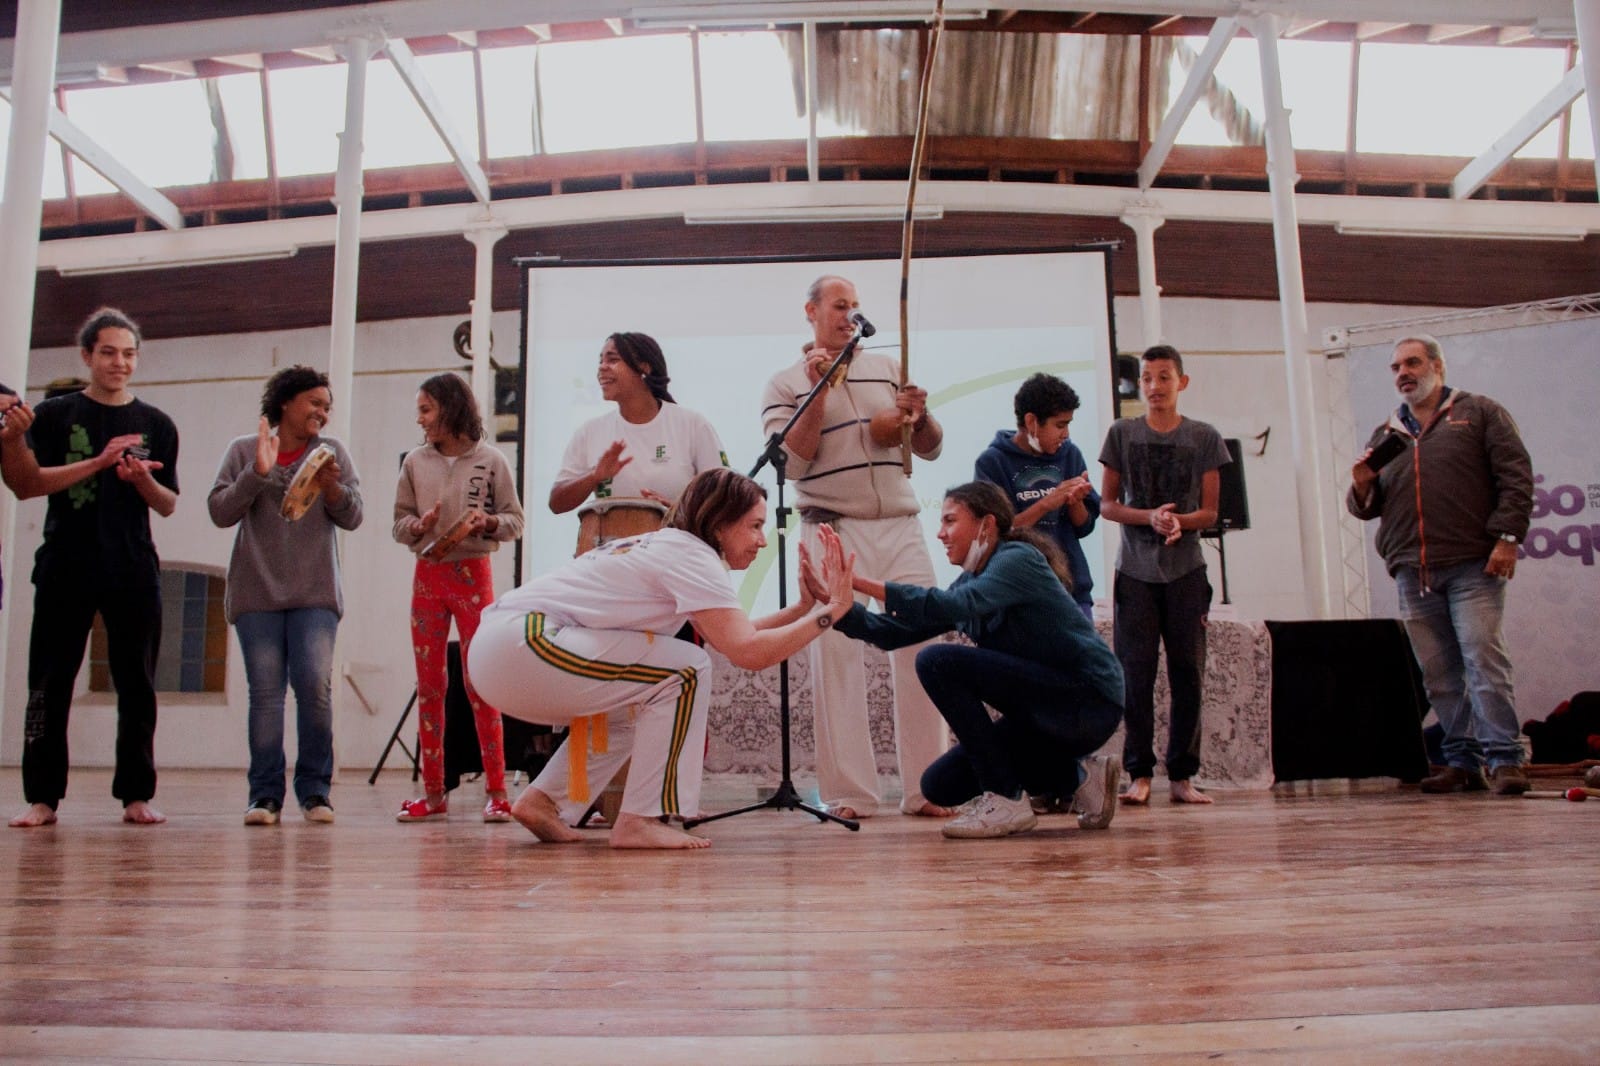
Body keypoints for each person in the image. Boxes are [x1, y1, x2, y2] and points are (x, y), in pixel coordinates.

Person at [468, 467, 856, 850]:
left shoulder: (672, 548)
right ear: (720, 522)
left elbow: (734, 635)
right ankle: (642, 819)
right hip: (526, 643)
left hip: (504, 651)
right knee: (687, 669)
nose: (761, 541)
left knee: (629, 711)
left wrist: (805, 609)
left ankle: (543, 802)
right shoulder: (693, 556)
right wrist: (831, 612)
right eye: (754, 526)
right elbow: (748, 653)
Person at [826, 482, 1125, 839]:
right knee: (939, 785)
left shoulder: (1016, 559)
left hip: (1089, 702)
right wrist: (841, 610)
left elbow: (952, 606)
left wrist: (860, 581)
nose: (940, 534)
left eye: (950, 521)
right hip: (1044, 716)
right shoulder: (972, 580)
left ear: (987, 525)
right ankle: (1082, 780)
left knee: (937, 661)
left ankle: (1006, 800)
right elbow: (895, 633)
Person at [759, 274, 950, 820]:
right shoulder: (785, 383)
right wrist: (819, 390)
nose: (850, 315)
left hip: (901, 523)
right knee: (836, 657)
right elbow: (792, 462)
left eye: (856, 307)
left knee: (924, 650)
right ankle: (849, 794)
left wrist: (921, 413)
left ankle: (928, 788)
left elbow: (931, 449)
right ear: (811, 311)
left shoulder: (888, 369)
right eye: (840, 305)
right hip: (831, 526)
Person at [3, 308, 178, 828]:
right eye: (108, 352)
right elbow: (26, 484)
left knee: (137, 682)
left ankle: (136, 796)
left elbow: (168, 503)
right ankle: (41, 798)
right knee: (49, 681)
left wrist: (140, 481)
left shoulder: (156, 424)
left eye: (128, 353)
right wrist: (99, 463)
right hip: (65, 565)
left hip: (132, 567)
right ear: (86, 356)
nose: (119, 362)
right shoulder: (55, 416)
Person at [1346, 334, 1533, 795]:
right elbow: (1366, 508)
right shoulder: (1386, 434)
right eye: (1395, 367)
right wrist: (1361, 484)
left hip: (1474, 566)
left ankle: (1506, 760)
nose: (1403, 373)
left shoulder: (1480, 413)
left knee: (1483, 661)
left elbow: (1516, 476)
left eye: (1412, 362)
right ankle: (1462, 762)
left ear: (1438, 366)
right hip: (1413, 570)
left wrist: (1507, 537)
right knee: (1440, 675)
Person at [208, 365, 363, 826]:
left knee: (314, 687)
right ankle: (264, 797)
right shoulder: (244, 449)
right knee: (267, 695)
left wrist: (333, 486)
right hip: (256, 592)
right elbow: (220, 511)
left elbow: (354, 516)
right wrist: (257, 472)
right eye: (314, 403)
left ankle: (315, 792)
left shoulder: (331, 453)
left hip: (315, 593)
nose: (322, 413)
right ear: (285, 402)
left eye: (326, 406)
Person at [1098, 344, 1230, 807]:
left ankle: (1183, 775)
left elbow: (1210, 510)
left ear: (1182, 382)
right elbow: (1107, 505)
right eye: (1148, 378)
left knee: (1187, 672)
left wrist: (1179, 522)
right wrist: (1149, 517)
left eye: (1164, 377)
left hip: (1186, 572)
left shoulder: (1204, 437)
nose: (1154, 386)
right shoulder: (1122, 432)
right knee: (1136, 673)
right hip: (1134, 571)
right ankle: (1139, 773)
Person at [392, 373, 526, 823]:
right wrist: (416, 526)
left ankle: (497, 791)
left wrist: (487, 524)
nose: (420, 419)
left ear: (451, 409)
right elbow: (399, 525)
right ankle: (433, 794)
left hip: (474, 577)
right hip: (427, 576)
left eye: (426, 409)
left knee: (480, 683)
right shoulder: (414, 462)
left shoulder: (491, 460)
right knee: (431, 686)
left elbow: (515, 521)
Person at [549, 331, 726, 519]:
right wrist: (594, 476)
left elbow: (724, 496)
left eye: (612, 360)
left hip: (678, 545)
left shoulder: (692, 425)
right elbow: (557, 503)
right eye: (600, 361)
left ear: (644, 368)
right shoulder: (590, 432)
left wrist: (678, 511)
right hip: (609, 547)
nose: (602, 368)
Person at [974, 372, 1101, 619]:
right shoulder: (992, 462)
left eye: (1069, 424)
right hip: (1016, 595)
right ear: (1032, 421)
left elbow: (1084, 526)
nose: (1066, 434)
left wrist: (1075, 503)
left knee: (1080, 657)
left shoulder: (1070, 454)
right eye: (1060, 425)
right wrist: (1045, 504)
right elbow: (994, 534)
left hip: (1071, 591)